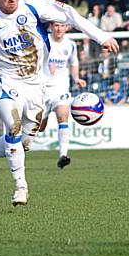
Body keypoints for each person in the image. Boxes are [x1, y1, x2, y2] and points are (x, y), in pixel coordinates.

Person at [0, 0, 119, 206]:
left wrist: (100, 37)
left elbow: (69, 12)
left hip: (36, 85)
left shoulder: (33, 7)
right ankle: (20, 186)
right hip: (6, 82)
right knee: (13, 126)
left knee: (23, 142)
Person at [38, 22, 86, 169]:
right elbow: (34, 60)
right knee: (39, 127)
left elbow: (73, 63)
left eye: (62, 26)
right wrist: (45, 66)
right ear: (51, 26)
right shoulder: (43, 41)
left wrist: (77, 78)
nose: (59, 29)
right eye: (56, 25)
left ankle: (63, 155)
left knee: (63, 116)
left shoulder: (71, 45)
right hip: (43, 88)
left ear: (67, 28)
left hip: (61, 88)